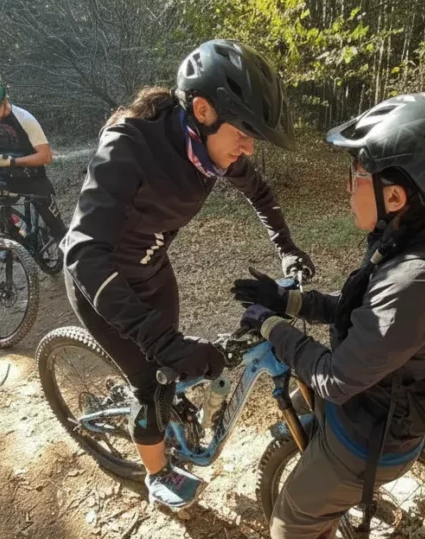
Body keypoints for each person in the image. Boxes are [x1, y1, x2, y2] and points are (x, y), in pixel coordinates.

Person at [231, 93, 425, 539]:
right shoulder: (417, 243)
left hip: (366, 435)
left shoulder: (414, 285)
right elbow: (356, 314)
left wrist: (273, 329)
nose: (348, 189)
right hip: (378, 408)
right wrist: (286, 301)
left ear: (393, 194)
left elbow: (332, 378)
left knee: (289, 524)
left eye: (355, 177)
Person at [62, 39, 315, 511]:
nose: (249, 146)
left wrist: (288, 249)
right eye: (244, 132)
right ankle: (156, 474)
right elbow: (83, 253)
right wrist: (163, 345)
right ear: (202, 109)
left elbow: (260, 193)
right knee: (154, 384)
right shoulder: (129, 146)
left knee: (174, 365)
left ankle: (168, 401)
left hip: (154, 272)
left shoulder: (212, 150)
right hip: (104, 288)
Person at [0, 73, 67, 241]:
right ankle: (18, 246)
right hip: (4, 179)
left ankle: (63, 248)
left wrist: (13, 161)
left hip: (33, 177)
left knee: (57, 227)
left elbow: (46, 156)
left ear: (4, 99)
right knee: (0, 214)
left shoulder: (24, 118)